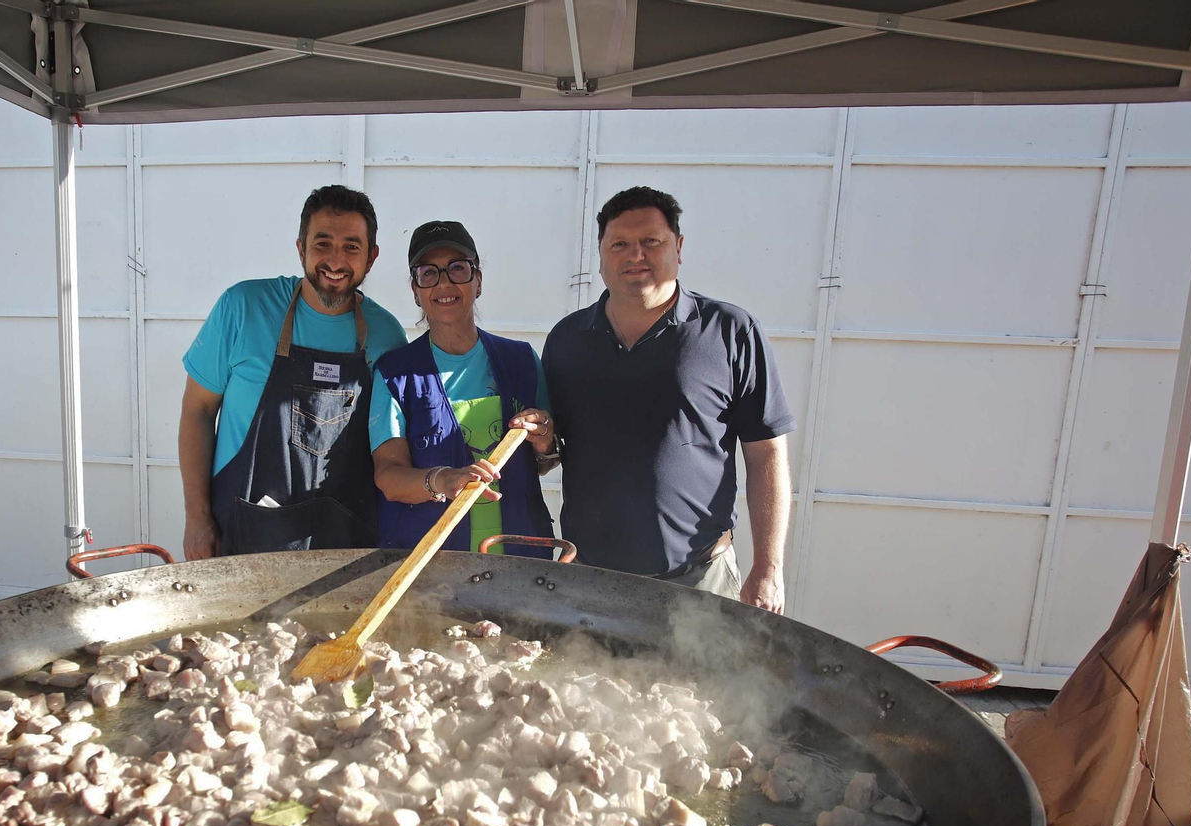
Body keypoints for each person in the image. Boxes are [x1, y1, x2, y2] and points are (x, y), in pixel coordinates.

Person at [542, 187, 795, 610]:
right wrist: (537, 442)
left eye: (651, 242)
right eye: (619, 244)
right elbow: (551, 453)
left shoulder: (730, 331)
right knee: (581, 679)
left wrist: (768, 569)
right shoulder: (567, 339)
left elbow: (767, 456)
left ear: (677, 247)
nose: (634, 255)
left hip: (700, 579)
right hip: (589, 580)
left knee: (703, 680)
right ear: (601, 256)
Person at [178, 186, 408, 559]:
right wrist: (197, 517)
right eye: (322, 244)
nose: (335, 260)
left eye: (351, 246)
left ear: (372, 257)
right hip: (246, 539)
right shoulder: (243, 308)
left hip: (347, 551)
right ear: (301, 248)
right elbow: (197, 411)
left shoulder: (387, 335)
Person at [369, 221, 557, 558]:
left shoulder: (522, 360)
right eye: (429, 273)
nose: (445, 283)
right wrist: (443, 480)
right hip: (432, 565)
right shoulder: (396, 375)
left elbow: (545, 458)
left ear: (478, 281)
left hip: (519, 560)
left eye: (458, 268)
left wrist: (543, 438)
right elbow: (389, 476)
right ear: (415, 289)